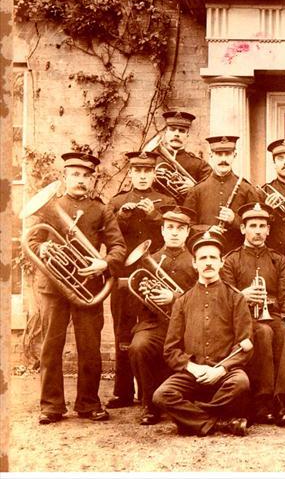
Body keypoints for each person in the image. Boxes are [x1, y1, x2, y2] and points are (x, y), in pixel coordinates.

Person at [28, 152, 127, 424]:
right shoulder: (50, 207)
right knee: (50, 346)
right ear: (64, 176)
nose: (80, 180)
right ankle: (51, 406)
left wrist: (103, 264)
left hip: (88, 285)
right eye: (75, 174)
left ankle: (88, 403)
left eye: (85, 175)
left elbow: (118, 246)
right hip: (53, 285)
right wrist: (44, 246)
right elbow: (33, 242)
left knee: (90, 347)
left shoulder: (101, 209)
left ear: (91, 179)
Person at [152, 231, 253, 437]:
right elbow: (170, 350)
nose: (208, 263)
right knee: (162, 396)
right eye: (203, 258)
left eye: (213, 258)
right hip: (192, 373)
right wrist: (193, 368)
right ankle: (221, 423)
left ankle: (193, 418)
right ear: (195, 264)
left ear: (221, 262)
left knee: (241, 383)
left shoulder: (236, 298)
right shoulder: (182, 301)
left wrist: (221, 370)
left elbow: (245, 345)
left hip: (225, 375)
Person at [107, 151, 175, 410]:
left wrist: (156, 216)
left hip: (155, 277)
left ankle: (154, 391)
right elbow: (107, 233)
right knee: (123, 334)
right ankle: (122, 392)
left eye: (148, 171)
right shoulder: (118, 201)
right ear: (132, 173)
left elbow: (174, 229)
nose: (143, 176)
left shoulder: (166, 200)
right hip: (124, 277)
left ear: (154, 173)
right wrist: (121, 217)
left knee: (154, 330)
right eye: (138, 171)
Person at [222, 202, 285, 427]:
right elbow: (225, 296)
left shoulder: (278, 259)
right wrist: (243, 295)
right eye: (252, 225)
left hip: (272, 312)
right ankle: (262, 401)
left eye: (262, 226)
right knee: (263, 333)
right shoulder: (231, 259)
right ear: (243, 229)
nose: (257, 231)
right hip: (243, 318)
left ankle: (283, 401)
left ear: (268, 230)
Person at [128, 204, 198, 425]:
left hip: (188, 328)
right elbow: (136, 304)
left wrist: (174, 298)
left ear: (187, 232)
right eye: (170, 227)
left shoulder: (197, 262)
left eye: (180, 228)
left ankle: (184, 400)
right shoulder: (151, 259)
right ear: (162, 231)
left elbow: (204, 300)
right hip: (155, 325)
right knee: (138, 346)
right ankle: (149, 405)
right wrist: (146, 294)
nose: (174, 232)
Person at [183, 135, 258, 252]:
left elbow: (257, 227)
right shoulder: (197, 190)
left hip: (239, 256)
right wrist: (207, 229)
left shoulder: (247, 189)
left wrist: (235, 220)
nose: (223, 159)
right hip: (207, 253)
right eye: (219, 154)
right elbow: (186, 225)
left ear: (234, 155)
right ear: (211, 156)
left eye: (228, 154)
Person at [153, 110, 212, 200]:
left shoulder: (199, 164)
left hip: (188, 211)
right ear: (166, 133)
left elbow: (211, 190)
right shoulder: (153, 160)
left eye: (181, 131)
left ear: (187, 136)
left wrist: (194, 187)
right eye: (172, 130)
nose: (176, 134)